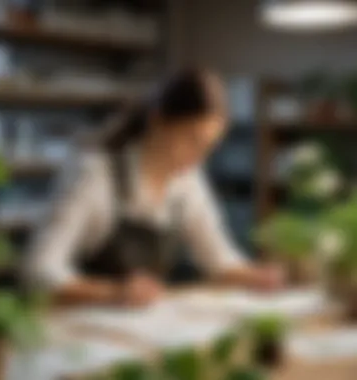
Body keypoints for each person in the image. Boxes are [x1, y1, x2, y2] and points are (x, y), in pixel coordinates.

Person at [24, 69, 283, 307]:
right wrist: (113, 292)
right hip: (79, 324)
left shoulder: (187, 180)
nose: (197, 157)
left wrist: (255, 276)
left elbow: (218, 259)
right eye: (191, 139)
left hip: (138, 325)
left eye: (208, 147)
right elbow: (38, 270)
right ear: (158, 122)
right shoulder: (96, 174)